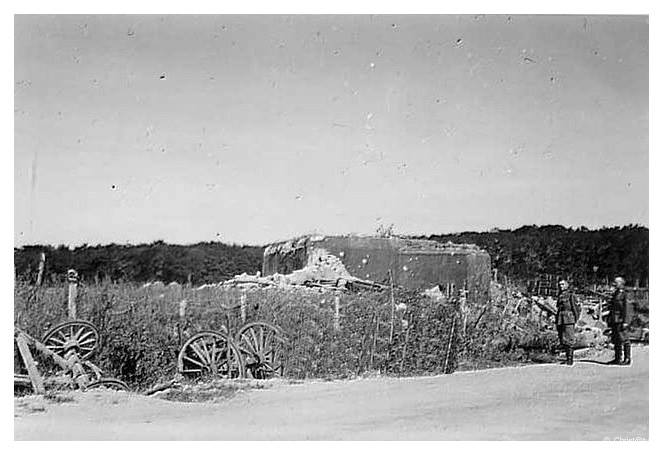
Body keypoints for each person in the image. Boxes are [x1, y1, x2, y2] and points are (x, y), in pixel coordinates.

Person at [606, 277, 632, 365]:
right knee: (616, 339)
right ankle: (617, 358)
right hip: (615, 319)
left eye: (616, 282)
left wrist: (626, 322)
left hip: (621, 320)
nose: (614, 284)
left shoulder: (625, 294)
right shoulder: (615, 293)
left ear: (621, 283)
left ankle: (627, 358)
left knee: (624, 339)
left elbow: (627, 309)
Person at [555, 280, 580, 365]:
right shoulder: (560, 295)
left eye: (562, 284)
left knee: (569, 338)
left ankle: (570, 359)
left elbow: (576, 308)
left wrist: (575, 319)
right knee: (563, 338)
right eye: (559, 285)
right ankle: (566, 357)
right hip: (561, 318)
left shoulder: (571, 295)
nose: (560, 286)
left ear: (567, 285)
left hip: (569, 319)